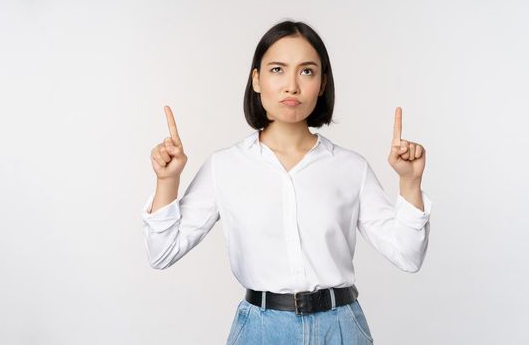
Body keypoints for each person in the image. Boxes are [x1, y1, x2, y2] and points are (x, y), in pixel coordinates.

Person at [141, 20, 432, 345]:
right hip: (261, 331)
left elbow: (408, 256)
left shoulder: (351, 167)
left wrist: (410, 183)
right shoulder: (225, 167)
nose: (292, 85)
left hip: (340, 329)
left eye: (307, 71)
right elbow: (162, 253)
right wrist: (167, 181)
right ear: (256, 80)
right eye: (277, 69)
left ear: (322, 83)